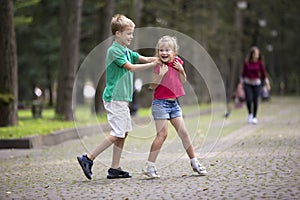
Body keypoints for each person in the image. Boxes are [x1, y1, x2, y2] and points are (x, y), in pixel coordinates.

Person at [77, 14, 158, 180]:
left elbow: (143, 58)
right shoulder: (114, 51)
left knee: (123, 133)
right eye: (128, 33)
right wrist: (153, 65)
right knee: (117, 133)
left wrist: (161, 58)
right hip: (114, 98)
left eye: (132, 33)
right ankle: (88, 158)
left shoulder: (127, 51)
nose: (131, 36)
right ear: (118, 34)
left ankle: (115, 168)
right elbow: (131, 67)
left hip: (122, 99)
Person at [142, 36, 207, 178]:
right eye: (161, 50)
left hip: (174, 104)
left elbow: (183, 80)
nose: (164, 53)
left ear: (174, 52)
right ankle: (149, 166)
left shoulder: (178, 62)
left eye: (167, 50)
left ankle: (194, 162)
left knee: (184, 133)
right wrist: (161, 74)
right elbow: (152, 86)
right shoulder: (158, 65)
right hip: (160, 104)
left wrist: (182, 70)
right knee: (162, 134)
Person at [241, 46, 271, 124]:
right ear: (252, 54)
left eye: (258, 53)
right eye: (255, 53)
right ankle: (250, 114)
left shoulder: (260, 63)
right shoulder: (246, 63)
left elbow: (264, 74)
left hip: (257, 84)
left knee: (255, 100)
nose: (257, 55)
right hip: (248, 83)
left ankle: (254, 117)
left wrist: (267, 84)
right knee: (249, 99)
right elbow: (243, 74)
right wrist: (240, 83)